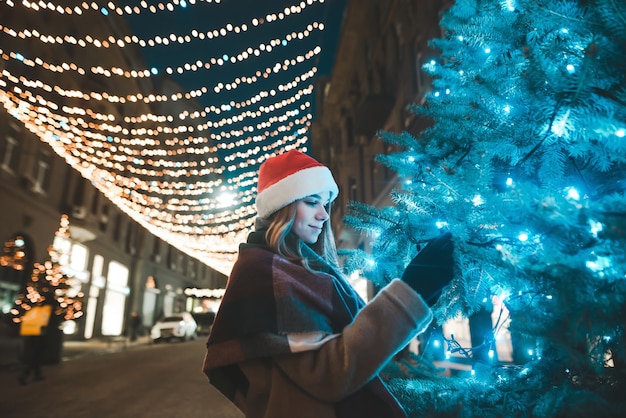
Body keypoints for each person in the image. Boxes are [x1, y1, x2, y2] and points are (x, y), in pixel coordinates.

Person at [202, 149, 454, 418]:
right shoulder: (263, 273)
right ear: (280, 207)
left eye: (325, 204)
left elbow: (363, 347)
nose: (323, 214)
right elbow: (329, 373)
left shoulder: (305, 270)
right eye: (312, 202)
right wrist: (413, 290)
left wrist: (420, 294)